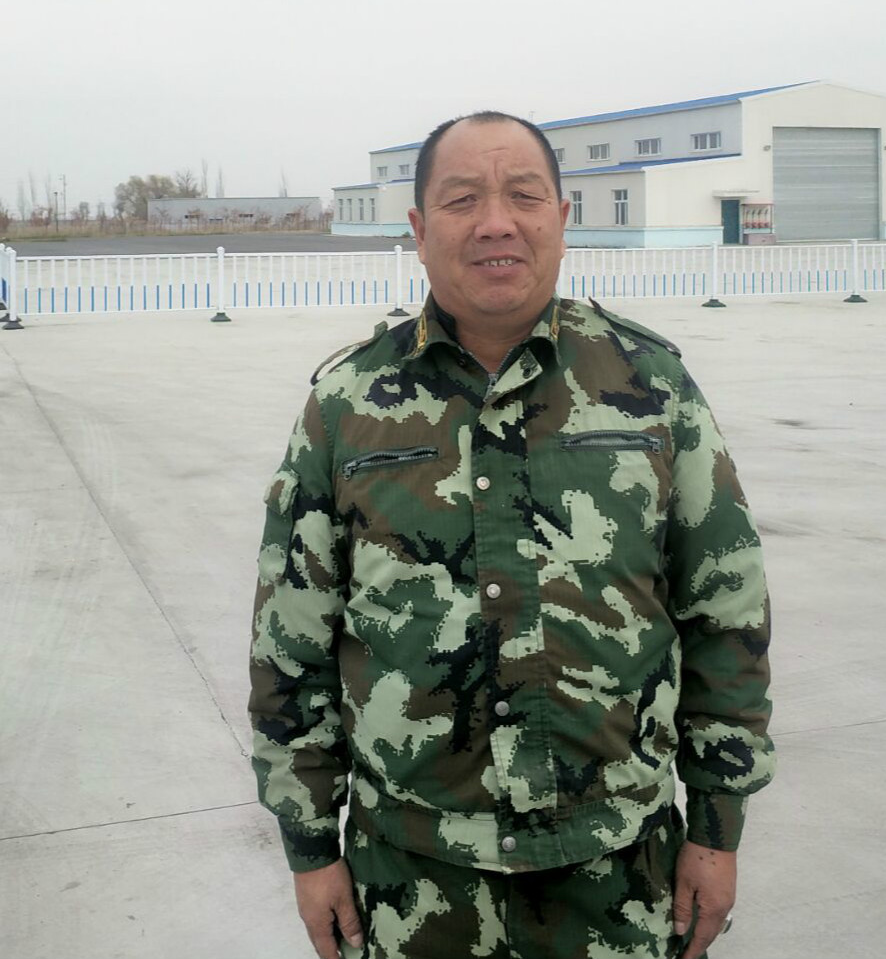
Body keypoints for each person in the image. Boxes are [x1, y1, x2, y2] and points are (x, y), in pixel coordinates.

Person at [248, 111, 775, 959]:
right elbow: (291, 641)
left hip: (620, 867)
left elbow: (726, 611)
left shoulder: (652, 385)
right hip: (410, 876)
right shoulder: (347, 405)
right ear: (419, 230)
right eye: (462, 199)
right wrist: (310, 848)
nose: (496, 221)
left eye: (523, 195)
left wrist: (717, 830)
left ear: (561, 219)